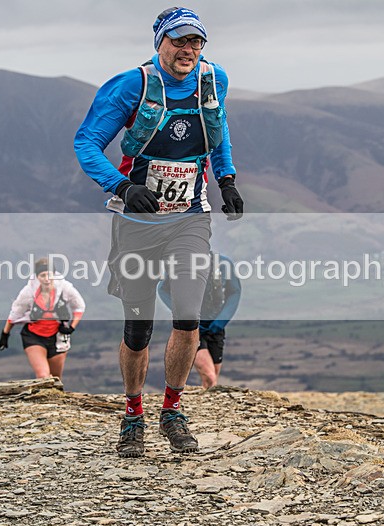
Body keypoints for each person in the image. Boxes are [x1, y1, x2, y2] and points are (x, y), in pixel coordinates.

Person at [74, 7, 244, 458]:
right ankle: (133, 414)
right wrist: (122, 187)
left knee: (189, 315)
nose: (188, 50)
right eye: (179, 41)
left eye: (196, 42)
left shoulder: (214, 80)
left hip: (190, 216)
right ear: (159, 42)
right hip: (137, 223)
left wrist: (225, 179)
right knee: (138, 327)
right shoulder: (133, 85)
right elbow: (86, 142)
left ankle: (172, 410)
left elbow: (218, 128)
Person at [158, 253, 241, 388]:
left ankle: (207, 406)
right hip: (191, 328)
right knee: (210, 376)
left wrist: (221, 321)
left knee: (211, 377)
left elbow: (234, 292)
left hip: (216, 327)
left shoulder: (223, 263)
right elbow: (163, 289)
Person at [0, 258, 85, 381]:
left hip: (57, 337)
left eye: (49, 274)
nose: (47, 279)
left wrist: (71, 327)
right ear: (37, 277)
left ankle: (55, 400)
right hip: (34, 336)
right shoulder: (28, 292)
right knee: (43, 377)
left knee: (56, 379)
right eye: (42, 275)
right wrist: (5, 334)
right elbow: (15, 313)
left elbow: (79, 306)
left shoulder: (65, 288)